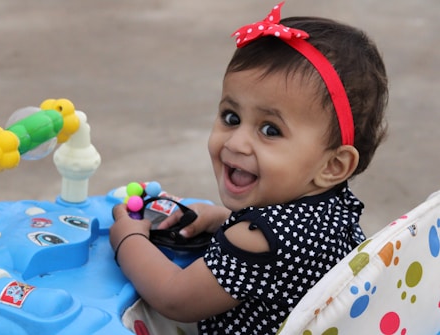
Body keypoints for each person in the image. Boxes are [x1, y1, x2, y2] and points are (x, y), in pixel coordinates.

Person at [110, 2, 388, 334]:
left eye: (270, 130)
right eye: (232, 117)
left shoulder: (259, 239)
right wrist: (222, 221)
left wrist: (129, 240)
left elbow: (174, 297)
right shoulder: (329, 210)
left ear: (333, 165)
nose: (236, 143)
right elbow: (290, 257)